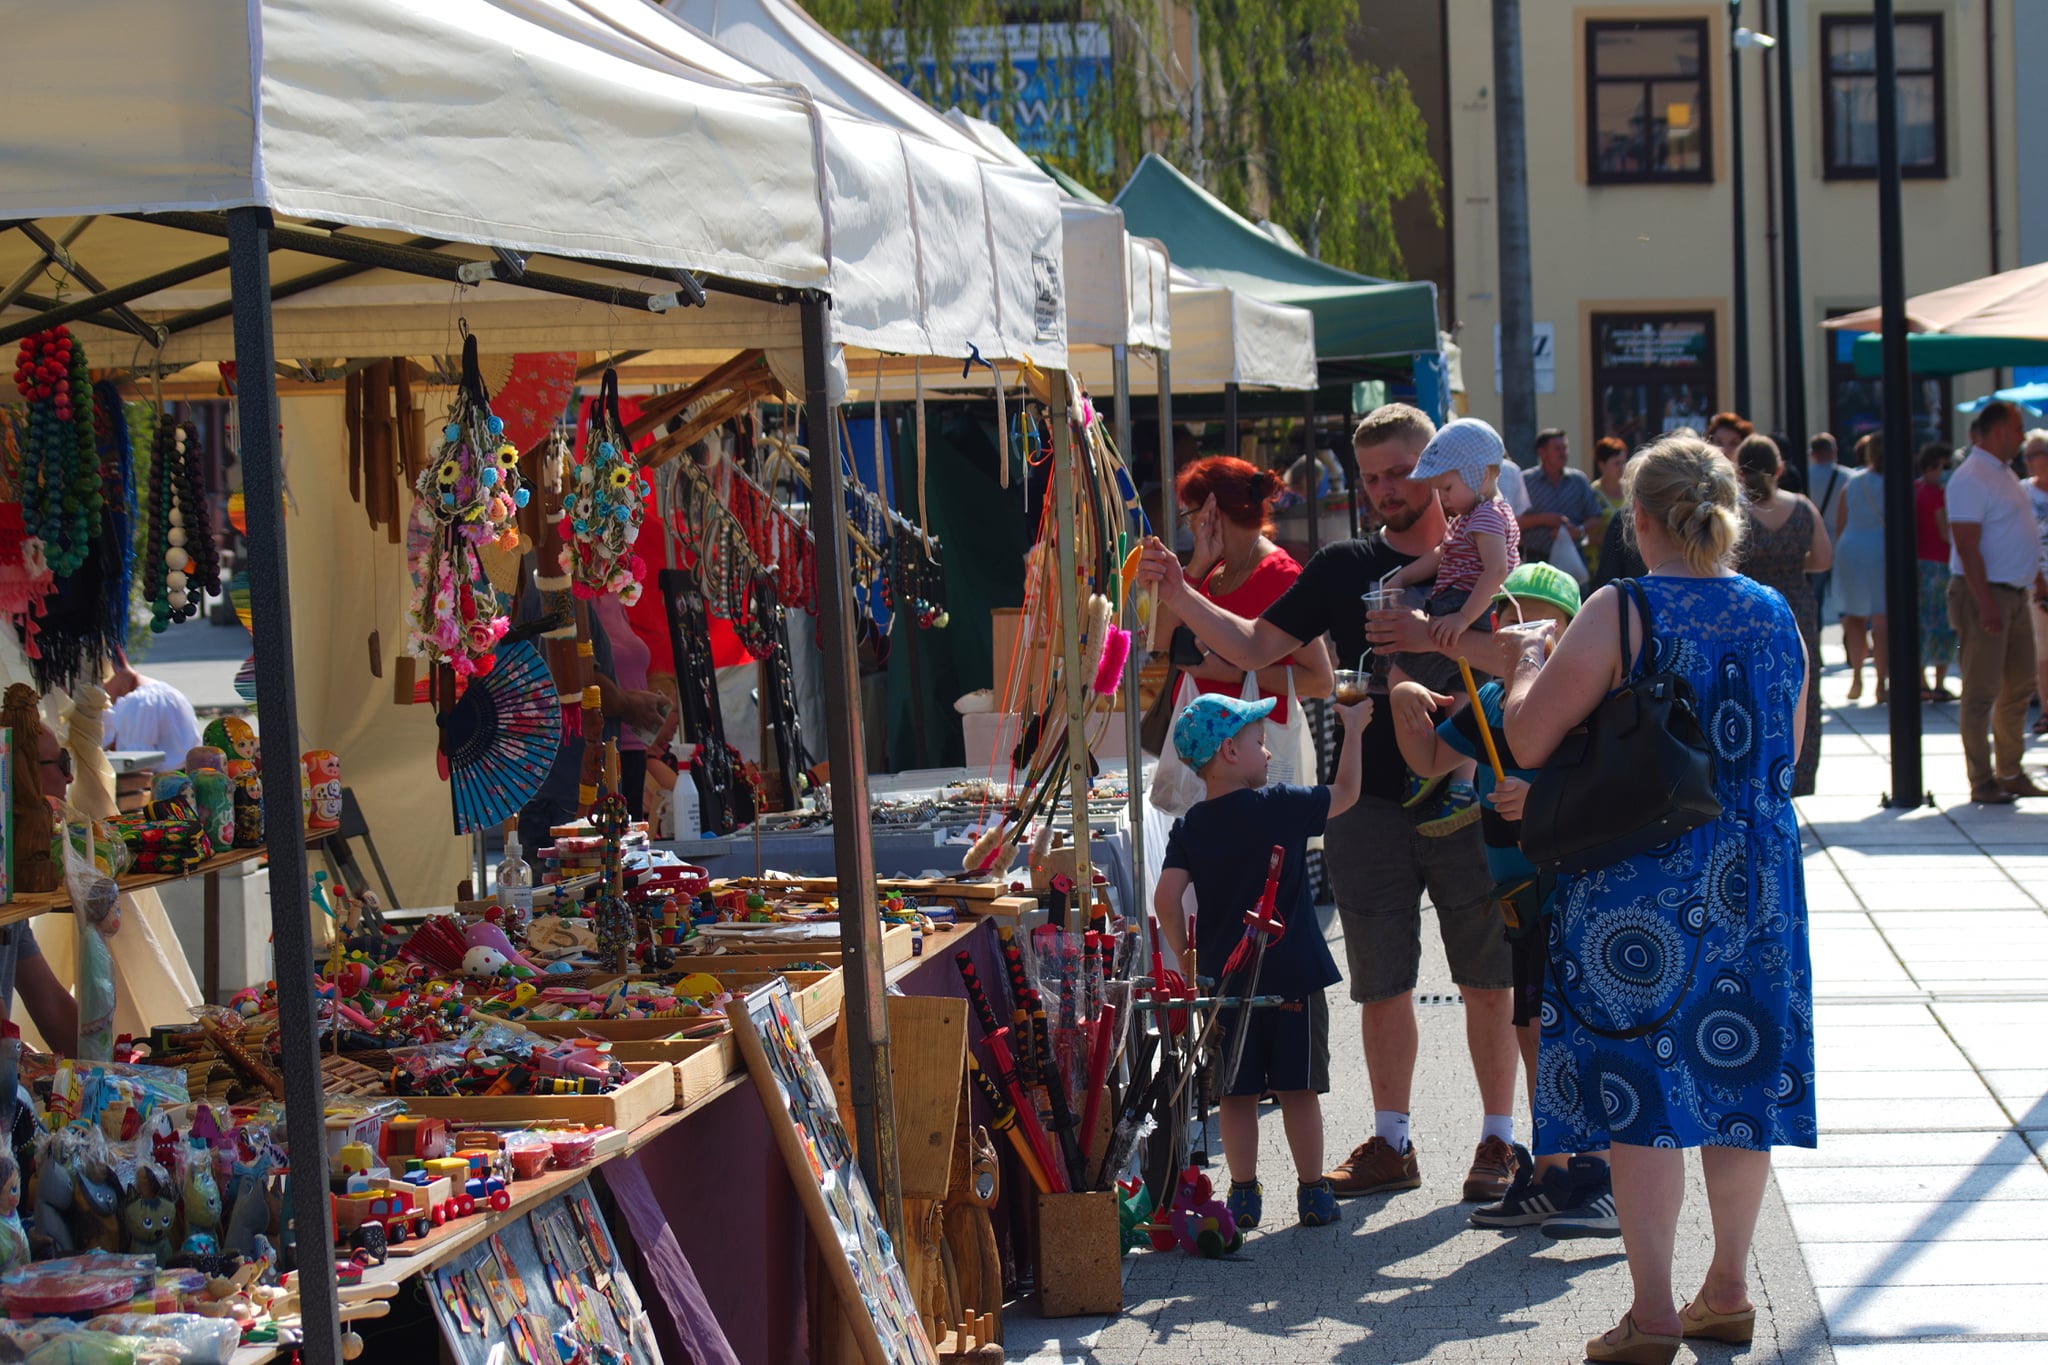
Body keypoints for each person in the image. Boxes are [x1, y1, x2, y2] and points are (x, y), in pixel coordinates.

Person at [1135, 403, 1521, 1208]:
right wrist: (1176, 589)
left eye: (1403, 472)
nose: (1386, 489)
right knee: (1381, 980)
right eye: (1370, 475)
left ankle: (1498, 1136)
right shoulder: (1348, 565)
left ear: (1445, 468)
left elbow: (1531, 656)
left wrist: (1426, 637)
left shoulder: (1491, 554)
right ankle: (1392, 1138)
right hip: (1366, 802)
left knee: (1488, 974)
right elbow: (1250, 646)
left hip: (1471, 792)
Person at [1501, 434, 1814, 1365]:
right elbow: (1785, 752)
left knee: (1645, 1093)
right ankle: (1726, 1289)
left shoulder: (1621, 610)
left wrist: (1525, 659)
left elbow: (1527, 739)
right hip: (1755, 880)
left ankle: (1653, 1311)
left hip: (1644, 883)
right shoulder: (1771, 612)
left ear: (1638, 519)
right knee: (1737, 1080)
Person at [1388, 563, 1618, 1240]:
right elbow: (1430, 758)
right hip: (1516, 890)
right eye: (1514, 627)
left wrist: (1542, 798)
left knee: (1577, 1030)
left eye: (1545, 629)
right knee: (1532, 1030)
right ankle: (1548, 1170)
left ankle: (1597, 1174)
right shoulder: (1490, 695)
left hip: (1574, 888)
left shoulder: (1593, 696)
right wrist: (1403, 699)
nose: (1528, 643)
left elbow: (1613, 787)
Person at [1154, 690, 1371, 1229]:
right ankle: (1313, 1192)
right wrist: (1355, 731)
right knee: (1299, 1088)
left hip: (1228, 984)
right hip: (1293, 973)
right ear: (1230, 751)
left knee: (1237, 1092)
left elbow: (1165, 899)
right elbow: (1346, 793)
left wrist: (1189, 958)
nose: (1268, 753)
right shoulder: (1279, 805)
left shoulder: (1190, 827)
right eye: (1258, 742)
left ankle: (1245, 1194)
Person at [1384, 418, 1521, 835]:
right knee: (1463, 693)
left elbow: (1496, 570)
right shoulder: (1474, 514)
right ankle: (1461, 785)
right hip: (1464, 605)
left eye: (1446, 488)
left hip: (1464, 604)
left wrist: (1461, 618)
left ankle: (1426, 764)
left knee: (1403, 671)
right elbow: (1442, 553)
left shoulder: (1485, 517)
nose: (1441, 499)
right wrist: (1405, 576)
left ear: (1479, 475)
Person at [1155, 457, 1335, 723]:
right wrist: (1195, 567)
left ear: (1212, 512)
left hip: (1259, 752)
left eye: (1190, 515)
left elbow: (1321, 681)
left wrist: (1233, 674)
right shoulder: (1213, 568)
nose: (1190, 526)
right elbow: (1159, 641)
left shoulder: (1280, 574)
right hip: (1205, 749)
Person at [1945, 400, 2048, 804]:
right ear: (1999, 430)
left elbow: (2017, 533)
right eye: (2018, 428)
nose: (2023, 437)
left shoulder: (2002, 473)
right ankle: (1982, 778)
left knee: (2020, 684)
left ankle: (2009, 769)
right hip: (1985, 594)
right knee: (1981, 689)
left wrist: (2035, 579)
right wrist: (1985, 603)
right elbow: (1967, 547)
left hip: (2014, 593)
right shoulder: (1971, 477)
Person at [1734, 434, 1832, 797]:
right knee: (1802, 689)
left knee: (1752, 691)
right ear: (1779, 469)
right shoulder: (1803, 508)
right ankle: (1798, 775)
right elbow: (1823, 559)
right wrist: (1792, 563)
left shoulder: (1736, 513)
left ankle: (1756, 773)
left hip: (1750, 610)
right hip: (1797, 607)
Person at [1833, 433, 1890, 703]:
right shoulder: (1896, 483)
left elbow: (1842, 522)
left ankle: (1856, 676)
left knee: (1854, 618)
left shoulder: (1852, 483)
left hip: (1851, 548)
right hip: (1880, 549)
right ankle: (1881, 682)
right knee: (1881, 620)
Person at [1519, 428, 1600, 574]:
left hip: (1573, 560)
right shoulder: (1526, 481)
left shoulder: (1578, 480)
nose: (1563, 453)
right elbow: (1514, 522)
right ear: (1542, 453)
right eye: (1557, 449)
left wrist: (1578, 531)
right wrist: (1544, 519)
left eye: (1565, 448)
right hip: (1536, 561)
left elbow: (1595, 517)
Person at [1914, 444, 1958, 702]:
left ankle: (1922, 681)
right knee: (1942, 624)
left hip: (1920, 564)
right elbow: (1945, 532)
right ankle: (1939, 683)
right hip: (1939, 565)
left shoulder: (1915, 490)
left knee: (1922, 624)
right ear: (1932, 466)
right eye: (1944, 466)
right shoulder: (1935, 495)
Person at [102, 648, 202, 759]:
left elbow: (139, 765)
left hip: (164, 775)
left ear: (114, 669)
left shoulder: (139, 702)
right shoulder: (170, 692)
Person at [1805, 433, 1849, 616]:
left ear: (1812, 453)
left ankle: (1816, 637)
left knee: (1815, 597)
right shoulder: (1849, 477)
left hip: (1814, 541)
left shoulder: (1806, 476)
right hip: (1842, 540)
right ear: (1834, 451)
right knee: (1846, 596)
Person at [2022, 430, 2048, 734]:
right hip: (2035, 580)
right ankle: (2045, 709)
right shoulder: (2022, 492)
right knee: (2042, 650)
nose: (2028, 462)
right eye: (2026, 456)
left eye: (2034, 454)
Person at [1584, 437, 1629, 579]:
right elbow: (1582, 535)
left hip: (1627, 563)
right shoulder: (1591, 493)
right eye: (1616, 463)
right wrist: (1605, 540)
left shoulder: (1632, 490)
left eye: (1623, 462)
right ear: (1602, 465)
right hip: (1599, 564)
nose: (1622, 468)